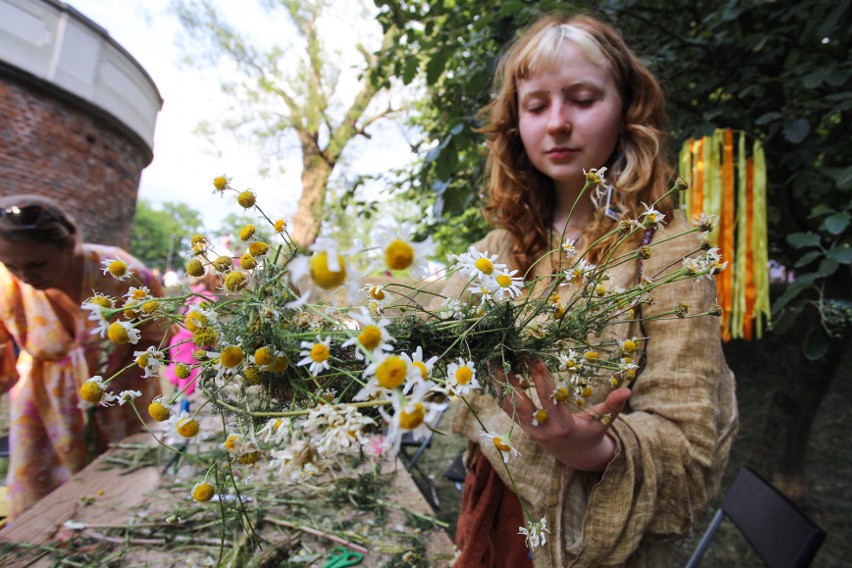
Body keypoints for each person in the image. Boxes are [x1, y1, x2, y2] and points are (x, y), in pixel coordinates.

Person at [447, 14, 739, 567]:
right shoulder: (504, 248)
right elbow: (416, 299)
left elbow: (689, 442)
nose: (556, 123)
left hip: (588, 538)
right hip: (494, 517)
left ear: (628, 110)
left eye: (581, 99)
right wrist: (287, 276)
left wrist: (587, 444)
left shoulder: (669, 250)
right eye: (536, 106)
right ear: (516, 124)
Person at [0, 194, 168, 521]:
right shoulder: (5, 286)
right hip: (43, 405)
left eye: (37, 264)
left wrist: (117, 380)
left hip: (122, 396)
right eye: (10, 264)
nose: (25, 276)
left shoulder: (123, 274)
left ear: (70, 244)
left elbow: (158, 336)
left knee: (118, 492)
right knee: (40, 500)